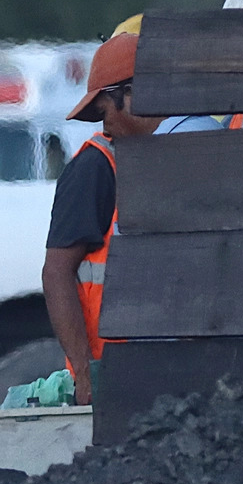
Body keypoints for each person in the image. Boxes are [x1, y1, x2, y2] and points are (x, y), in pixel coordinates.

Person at [43, 26, 162, 405]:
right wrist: (85, 375)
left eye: (104, 110)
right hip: (107, 377)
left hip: (159, 373)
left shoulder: (179, 156)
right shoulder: (94, 168)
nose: (104, 123)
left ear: (133, 94)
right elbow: (56, 272)